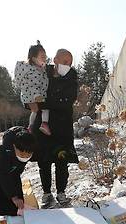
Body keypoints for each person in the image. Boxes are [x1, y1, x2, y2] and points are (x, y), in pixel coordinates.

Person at [33, 49, 79, 208]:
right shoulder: (42, 73)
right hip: (43, 127)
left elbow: (65, 101)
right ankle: (46, 193)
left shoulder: (72, 78)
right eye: (65, 61)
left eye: (70, 63)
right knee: (43, 161)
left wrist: (44, 103)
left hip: (62, 127)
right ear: (56, 59)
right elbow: (32, 94)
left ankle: (61, 192)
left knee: (62, 161)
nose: (68, 65)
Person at [0, 126, 36, 220]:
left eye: (28, 155)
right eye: (22, 154)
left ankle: (10, 220)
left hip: (7, 174)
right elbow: (3, 176)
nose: (25, 157)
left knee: (12, 201)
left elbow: (16, 175)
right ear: (14, 146)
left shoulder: (26, 145)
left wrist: (19, 196)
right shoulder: (2, 151)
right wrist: (14, 197)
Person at [14, 40, 52, 135]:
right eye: (42, 57)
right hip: (31, 94)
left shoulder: (40, 68)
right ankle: (43, 124)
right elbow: (28, 83)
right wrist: (36, 95)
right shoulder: (30, 69)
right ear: (34, 58)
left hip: (33, 95)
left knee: (36, 110)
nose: (45, 58)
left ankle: (32, 126)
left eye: (45, 56)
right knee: (43, 107)